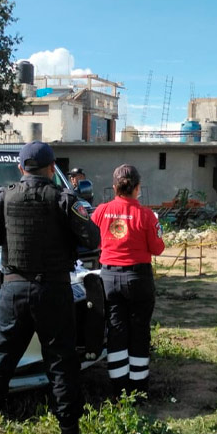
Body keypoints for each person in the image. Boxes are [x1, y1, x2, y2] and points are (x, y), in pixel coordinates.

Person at [0, 141, 101, 434]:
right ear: (50, 168)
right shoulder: (64, 200)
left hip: (13, 291)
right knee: (61, 363)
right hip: (53, 292)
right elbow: (92, 238)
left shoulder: (3, 198)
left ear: (21, 168)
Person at [90, 165, 166, 397]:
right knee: (139, 331)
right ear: (138, 188)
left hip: (109, 278)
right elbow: (158, 248)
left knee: (116, 331)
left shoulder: (101, 211)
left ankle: (118, 387)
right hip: (138, 278)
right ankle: (138, 387)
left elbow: (91, 239)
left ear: (114, 188)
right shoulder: (146, 215)